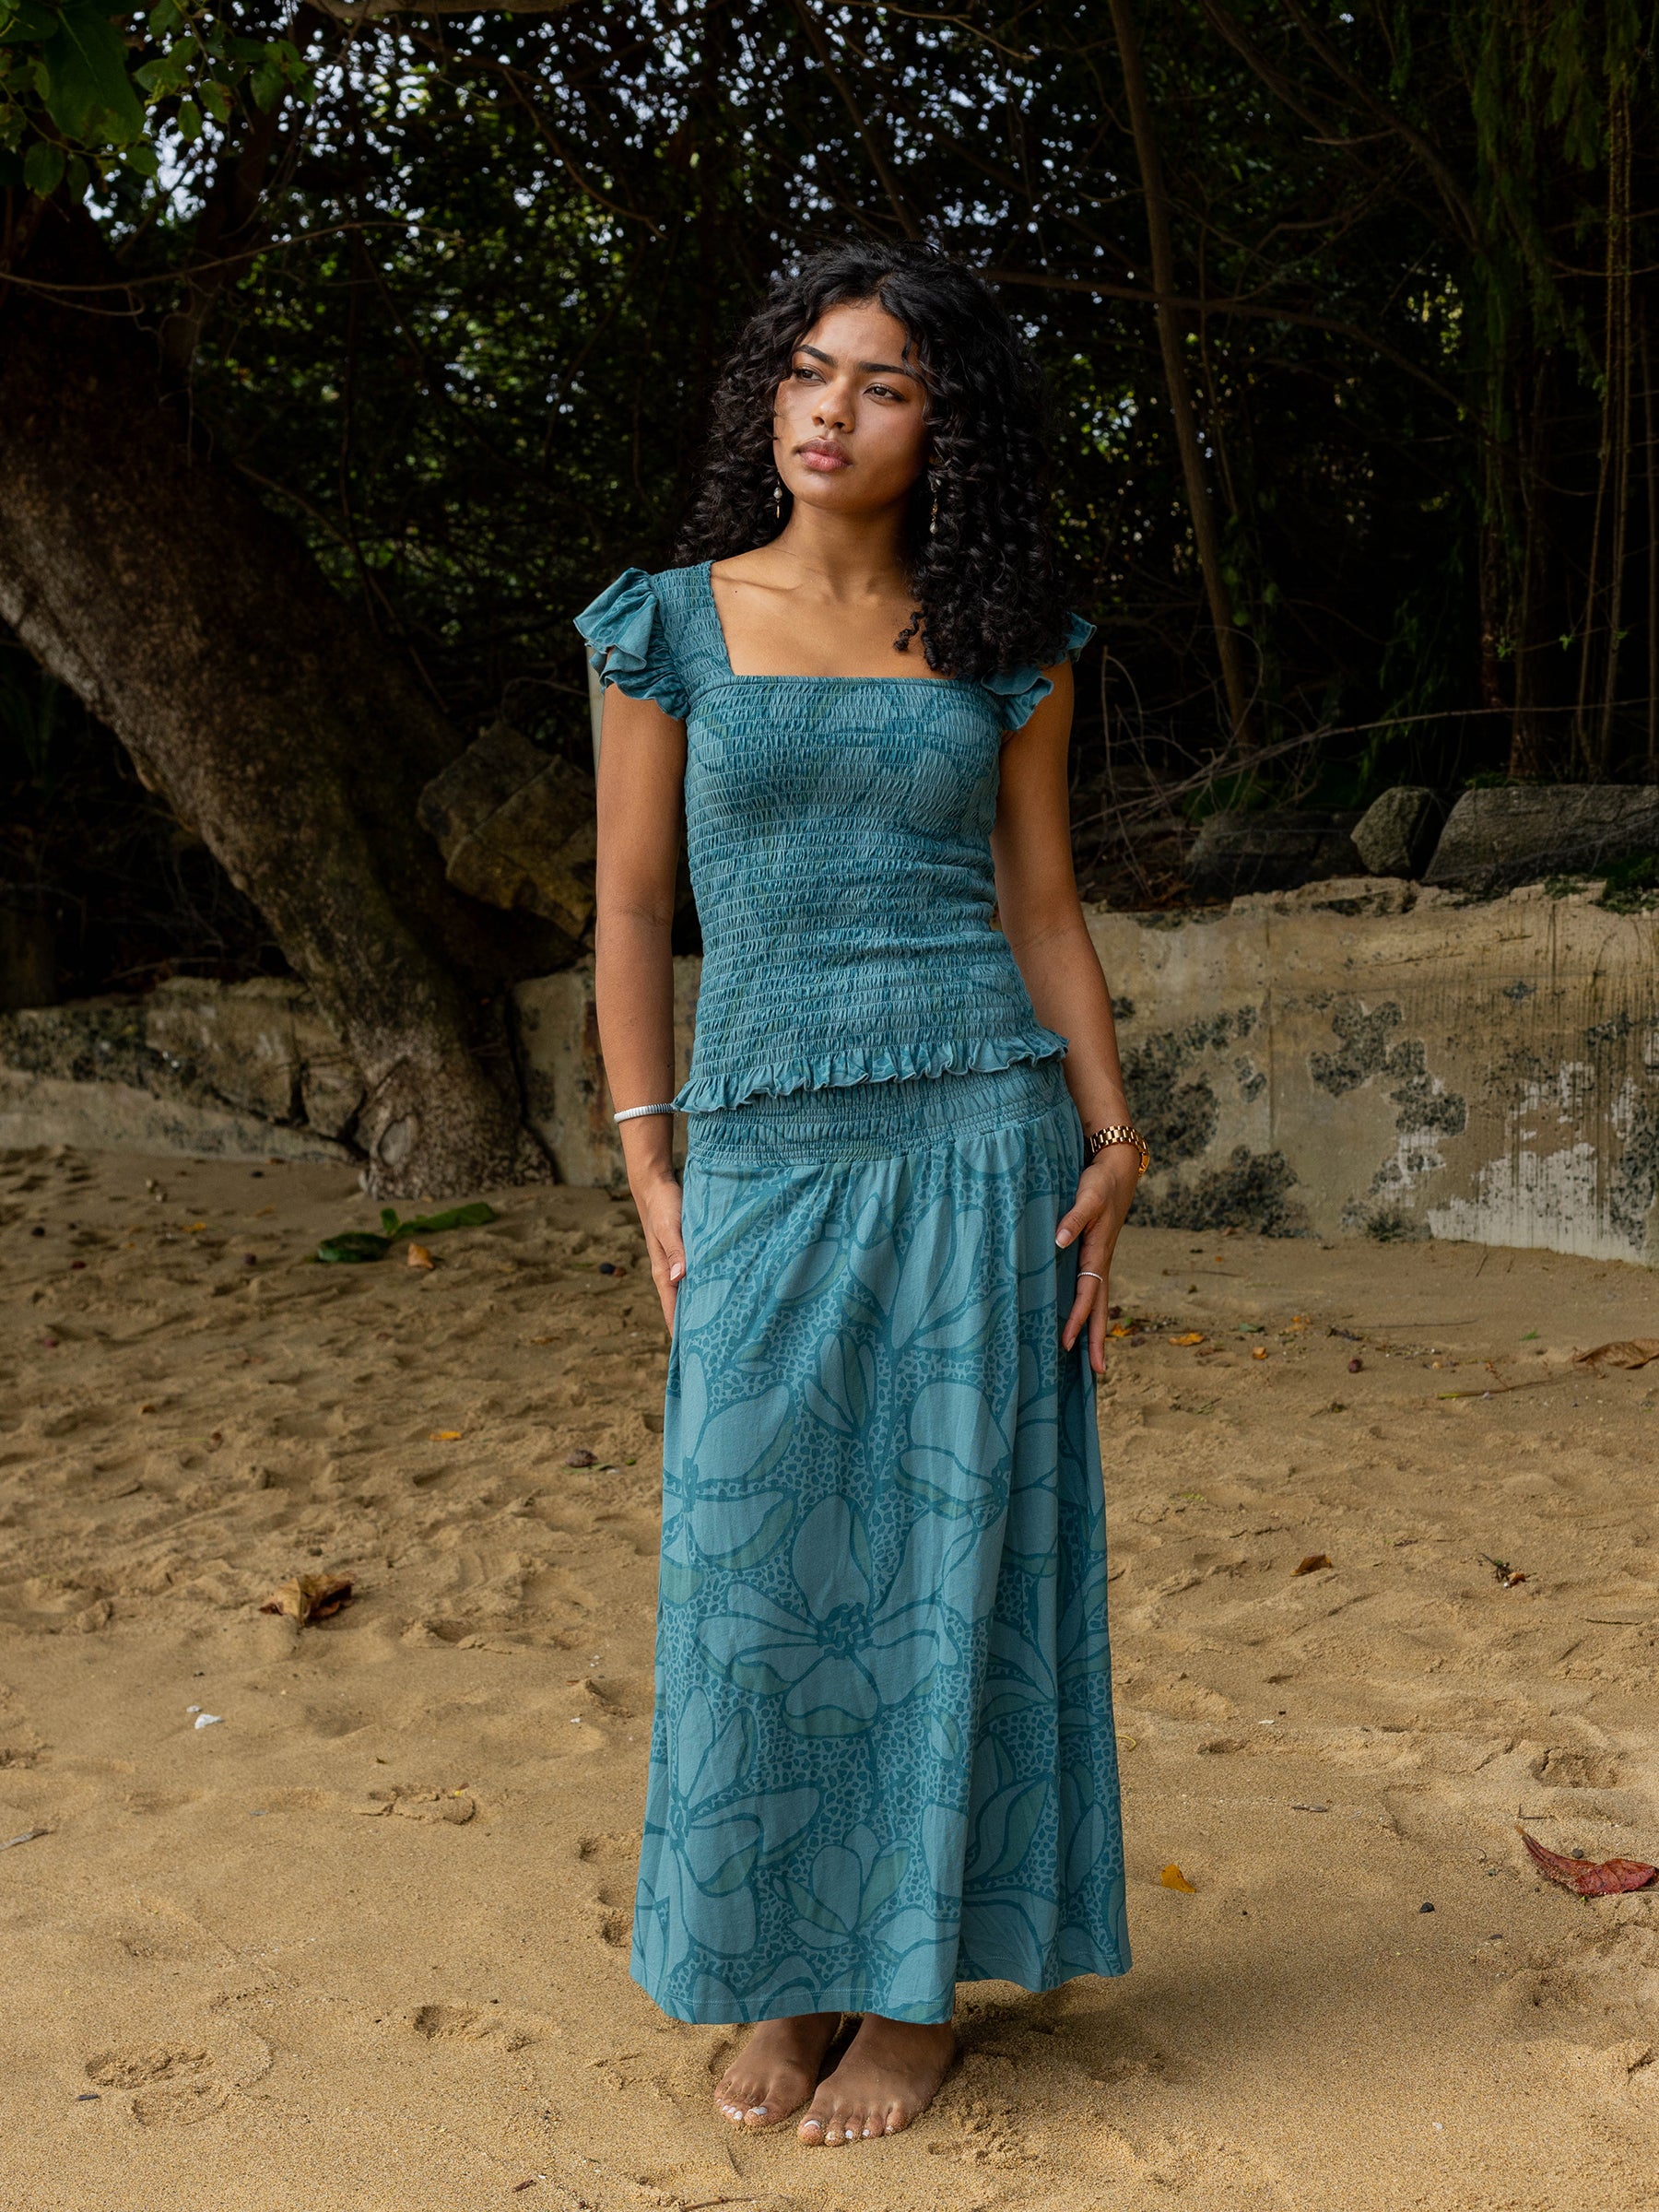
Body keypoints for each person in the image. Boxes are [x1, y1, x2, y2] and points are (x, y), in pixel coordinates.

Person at [580, 240, 1142, 2152]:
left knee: (946, 1564)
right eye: (808, 369)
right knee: (760, 1573)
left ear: (946, 427)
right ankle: (795, 1967)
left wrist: (1116, 1138)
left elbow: (1043, 909)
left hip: (984, 1131)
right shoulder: (666, 625)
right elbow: (635, 910)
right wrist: (649, 1162)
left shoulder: (1009, 643)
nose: (828, 409)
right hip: (759, 1142)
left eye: (883, 383)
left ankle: (907, 1995)